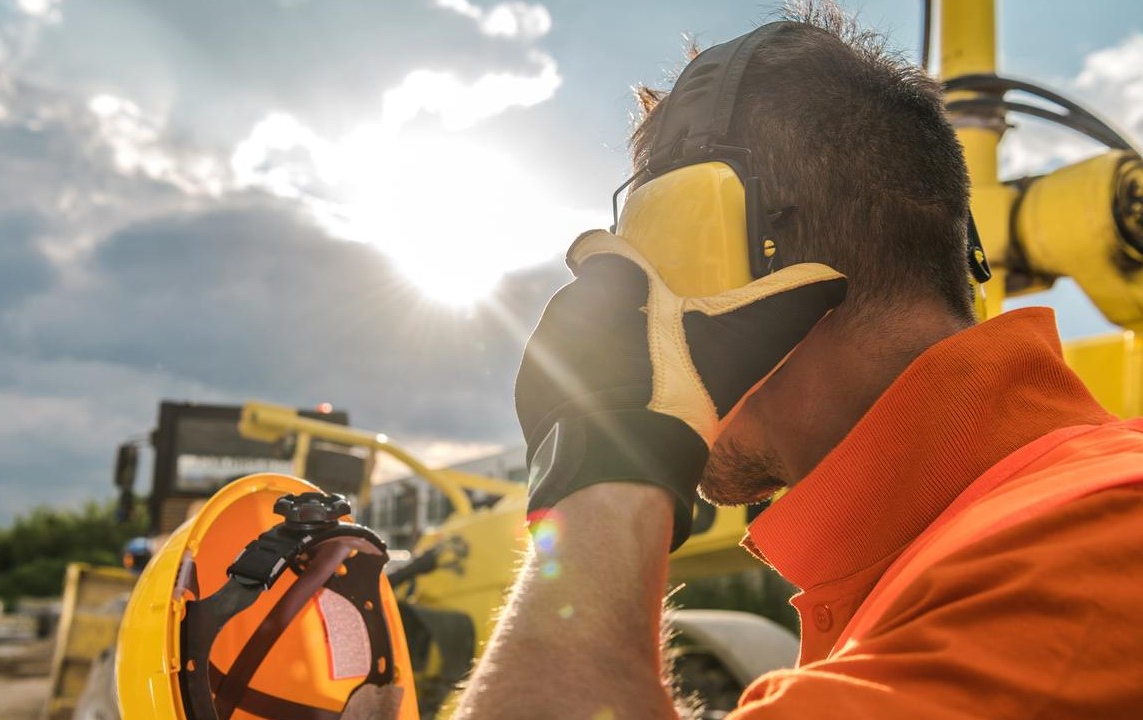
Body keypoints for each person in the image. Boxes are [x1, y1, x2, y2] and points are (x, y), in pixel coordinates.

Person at [453, 3, 1143, 719]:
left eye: (647, 263)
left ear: (720, 265)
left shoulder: (1069, 559)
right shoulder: (976, 559)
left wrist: (603, 468)